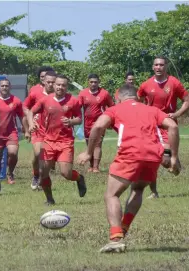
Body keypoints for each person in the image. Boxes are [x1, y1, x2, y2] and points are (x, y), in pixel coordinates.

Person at [77, 83, 181, 253]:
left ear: (118, 97)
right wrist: (174, 157)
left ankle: (116, 238)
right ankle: (123, 228)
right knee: (138, 189)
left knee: (111, 195)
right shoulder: (151, 109)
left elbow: (97, 126)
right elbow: (173, 126)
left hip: (130, 154)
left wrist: (88, 153)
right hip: (152, 156)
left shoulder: (115, 109)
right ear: (137, 97)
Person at [27, 74, 87, 205]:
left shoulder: (73, 101)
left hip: (65, 142)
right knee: (43, 172)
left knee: (66, 173)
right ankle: (49, 199)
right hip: (48, 141)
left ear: (67, 87)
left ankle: (79, 178)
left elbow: (79, 118)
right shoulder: (45, 100)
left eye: (63, 85)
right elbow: (31, 111)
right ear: (54, 85)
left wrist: (71, 121)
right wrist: (31, 124)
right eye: (58, 85)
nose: (60, 87)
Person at [136, 56, 189, 199]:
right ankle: (154, 192)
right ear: (152, 67)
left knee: (165, 161)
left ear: (166, 67)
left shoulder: (174, 83)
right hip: (151, 125)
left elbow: (186, 100)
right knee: (152, 159)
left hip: (167, 125)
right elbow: (138, 101)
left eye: (161, 65)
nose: (158, 67)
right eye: (156, 65)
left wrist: (177, 113)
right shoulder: (146, 85)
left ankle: (174, 162)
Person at [23, 68, 56, 190]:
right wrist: (31, 123)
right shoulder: (35, 92)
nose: (49, 83)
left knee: (47, 158)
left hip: (53, 130)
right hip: (38, 129)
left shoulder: (59, 92)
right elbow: (26, 107)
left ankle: (43, 179)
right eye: (43, 77)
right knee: (38, 154)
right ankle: (36, 175)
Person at [0, 79, 26, 184]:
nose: (4, 87)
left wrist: (26, 129)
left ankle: (10, 173)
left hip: (11, 133)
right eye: (2, 86)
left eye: (6, 85)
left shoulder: (16, 101)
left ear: (10, 87)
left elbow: (22, 116)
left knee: (13, 153)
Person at [78, 74, 114, 173]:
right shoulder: (83, 93)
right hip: (86, 124)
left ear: (99, 82)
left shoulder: (104, 93)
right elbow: (77, 107)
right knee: (89, 144)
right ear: (88, 82)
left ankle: (96, 167)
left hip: (99, 123)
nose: (93, 84)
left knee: (97, 144)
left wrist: (110, 120)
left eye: (95, 82)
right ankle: (91, 165)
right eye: (91, 82)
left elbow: (111, 107)